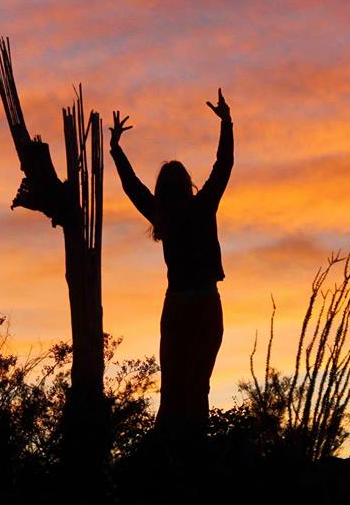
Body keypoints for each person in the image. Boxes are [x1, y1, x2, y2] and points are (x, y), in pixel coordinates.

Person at [109, 88, 233, 444]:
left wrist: (116, 149)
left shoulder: (164, 213)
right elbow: (223, 166)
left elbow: (132, 187)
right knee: (197, 385)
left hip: (180, 305)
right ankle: (189, 450)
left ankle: (174, 452)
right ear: (186, 185)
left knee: (176, 386)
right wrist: (227, 123)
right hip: (204, 304)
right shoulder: (201, 205)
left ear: (163, 188)